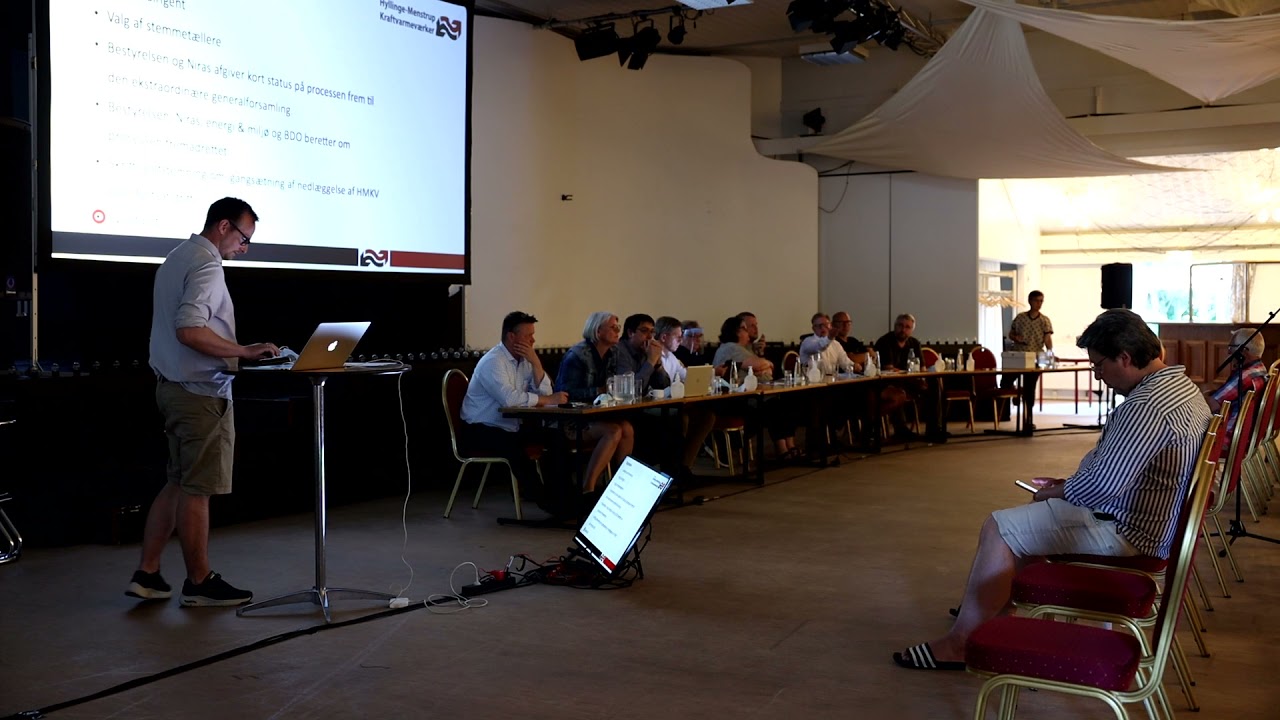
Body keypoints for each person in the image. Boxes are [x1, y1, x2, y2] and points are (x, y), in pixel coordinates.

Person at [892, 309, 1211, 671]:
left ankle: (961, 644)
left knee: (999, 527)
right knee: (1028, 524)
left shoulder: (1145, 407)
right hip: (1157, 524)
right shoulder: (1182, 388)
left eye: (1099, 365)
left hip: (1130, 532)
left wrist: (1057, 491)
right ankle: (992, 617)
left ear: (1125, 357)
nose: (1098, 375)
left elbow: (1100, 488)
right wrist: (1068, 487)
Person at [127, 197, 280, 607]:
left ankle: (148, 573)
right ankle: (198, 582)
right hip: (199, 394)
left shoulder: (177, 256)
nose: (244, 249)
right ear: (224, 226)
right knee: (197, 490)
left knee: (178, 482)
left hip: (171, 387)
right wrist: (243, 351)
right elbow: (189, 330)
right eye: (244, 239)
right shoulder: (208, 265)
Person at [460, 311, 568, 504]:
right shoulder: (493, 362)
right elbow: (509, 400)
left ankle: (563, 494)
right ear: (512, 337)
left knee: (556, 437)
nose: (533, 340)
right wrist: (547, 399)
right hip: (480, 428)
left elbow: (546, 394)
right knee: (514, 447)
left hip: (510, 426)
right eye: (528, 336)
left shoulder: (526, 360)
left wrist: (536, 363)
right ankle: (545, 501)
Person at [555, 312, 635, 493]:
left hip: (598, 414)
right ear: (598, 331)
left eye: (618, 327)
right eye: (613, 328)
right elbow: (566, 393)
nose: (618, 331)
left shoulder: (613, 353)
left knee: (627, 428)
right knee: (613, 431)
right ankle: (588, 488)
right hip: (572, 420)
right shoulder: (577, 356)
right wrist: (599, 391)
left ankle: (620, 486)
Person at [713, 316, 797, 458]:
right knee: (775, 406)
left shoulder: (743, 349)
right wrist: (766, 363)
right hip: (734, 401)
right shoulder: (730, 347)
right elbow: (759, 365)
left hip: (746, 396)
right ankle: (783, 449)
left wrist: (762, 366)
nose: (748, 332)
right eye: (745, 329)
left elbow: (765, 371)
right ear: (736, 331)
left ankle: (790, 445)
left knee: (785, 402)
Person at [873, 313, 934, 441]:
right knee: (898, 388)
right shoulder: (885, 341)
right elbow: (889, 369)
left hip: (909, 380)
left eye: (907, 327)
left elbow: (922, 368)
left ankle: (935, 429)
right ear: (895, 326)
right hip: (887, 383)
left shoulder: (914, 343)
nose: (903, 329)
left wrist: (921, 379)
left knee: (934, 387)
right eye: (900, 326)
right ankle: (901, 430)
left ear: (912, 330)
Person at [1003, 290, 1054, 421]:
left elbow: (1047, 338)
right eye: (1036, 301)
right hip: (1019, 355)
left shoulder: (1044, 320)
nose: (1039, 304)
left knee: (1030, 387)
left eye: (1041, 301)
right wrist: (1016, 337)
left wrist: (1050, 352)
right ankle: (1010, 402)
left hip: (1035, 357)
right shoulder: (1020, 318)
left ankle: (1029, 417)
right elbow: (1011, 334)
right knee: (1006, 381)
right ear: (1030, 301)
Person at [1206, 328, 1267, 436]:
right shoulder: (1260, 369)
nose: (1229, 352)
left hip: (1225, 437)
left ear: (1242, 352)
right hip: (1246, 435)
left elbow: (1210, 406)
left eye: (1231, 347)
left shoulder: (1244, 377)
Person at [615, 313, 671, 394]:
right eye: (644, 331)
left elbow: (665, 387)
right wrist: (651, 361)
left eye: (652, 332)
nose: (650, 336)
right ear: (630, 333)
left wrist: (657, 363)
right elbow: (630, 391)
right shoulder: (619, 351)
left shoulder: (646, 350)